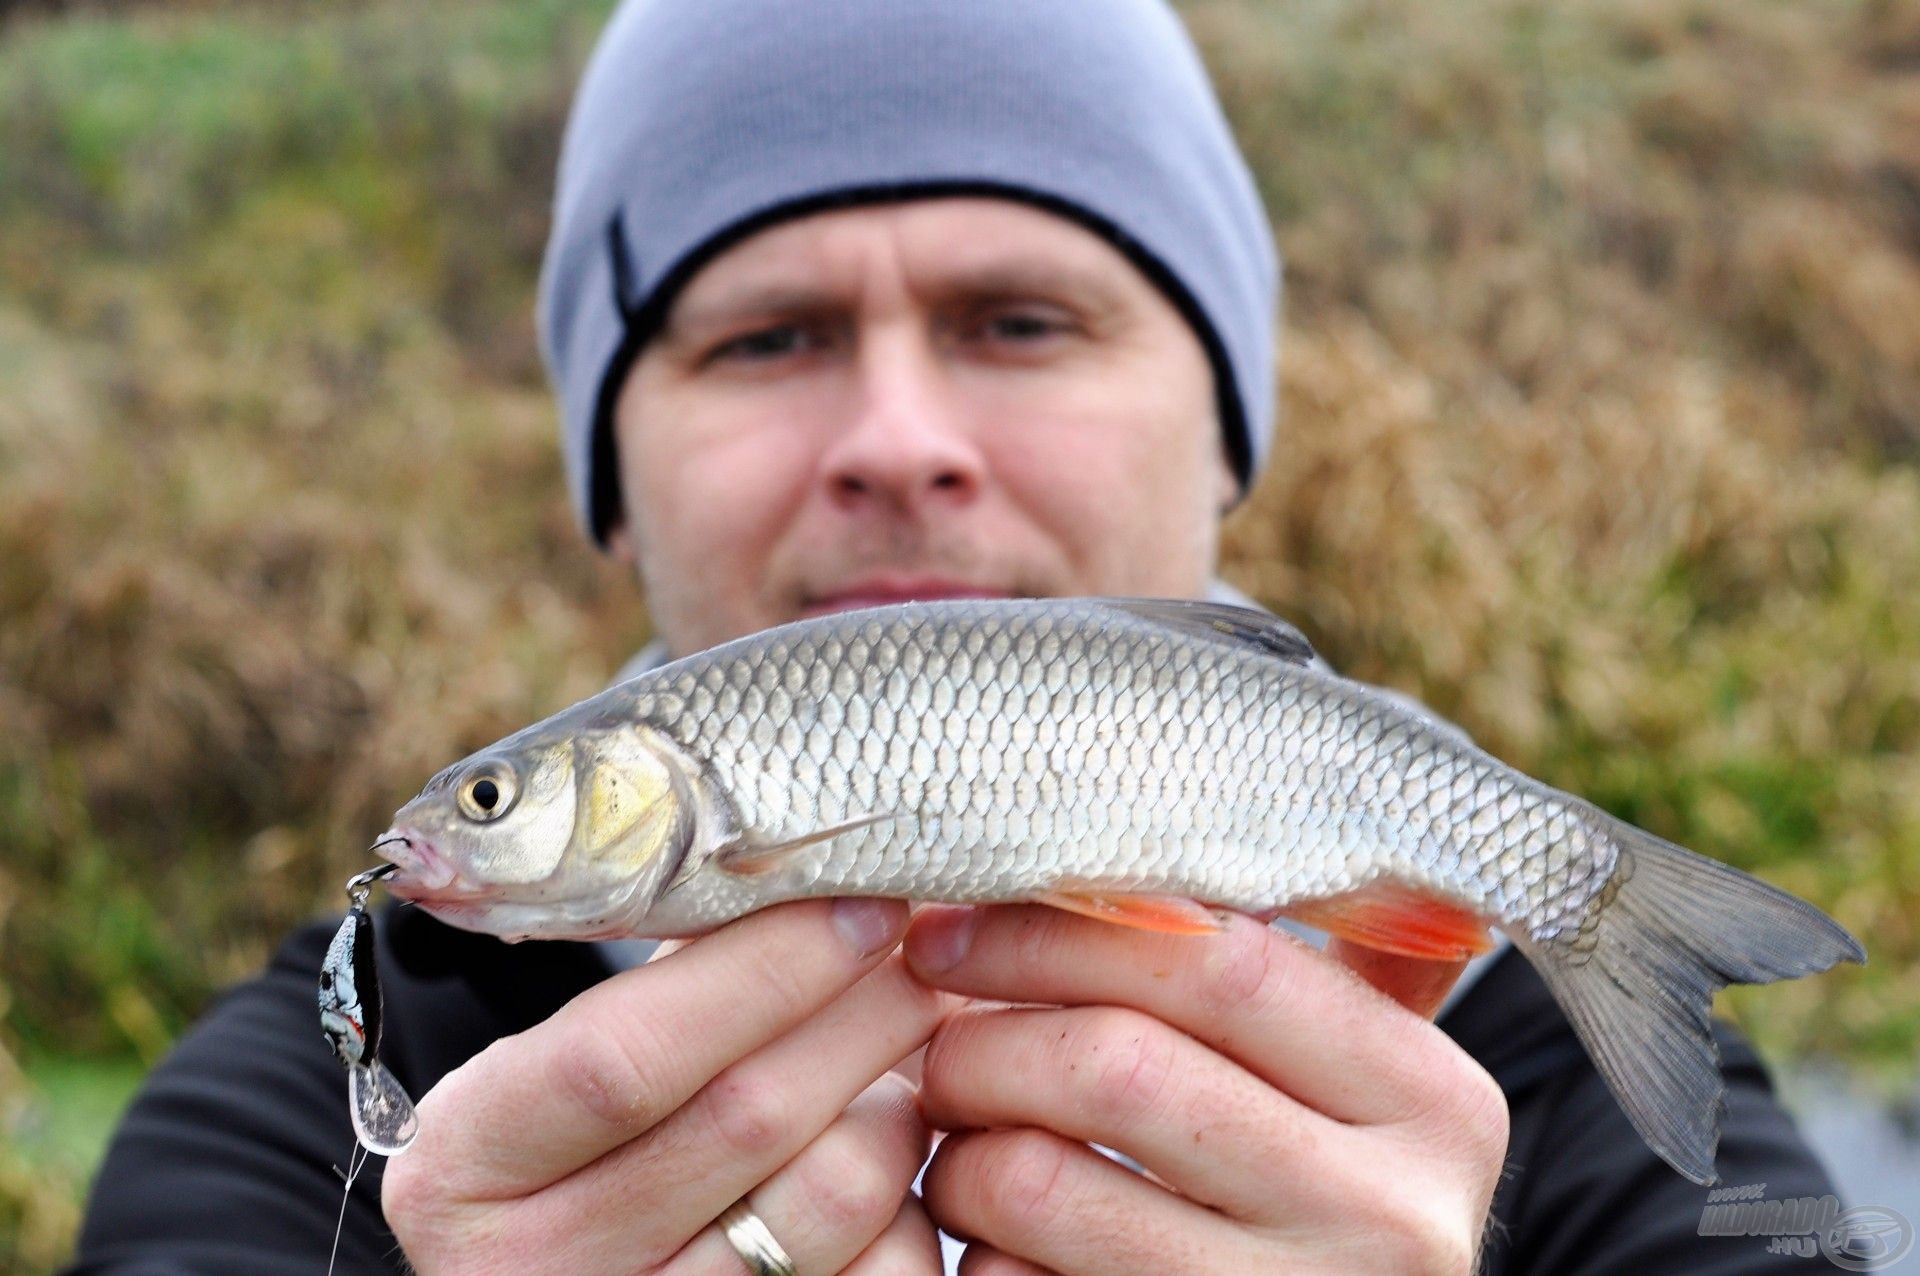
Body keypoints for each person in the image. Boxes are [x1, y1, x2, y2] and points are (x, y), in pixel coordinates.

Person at [71, 1, 1842, 1272]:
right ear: (607, 471)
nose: (897, 438)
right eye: (765, 337)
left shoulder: (1531, 1045)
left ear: (1229, 422)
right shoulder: (301, 1115)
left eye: (1019, 318)